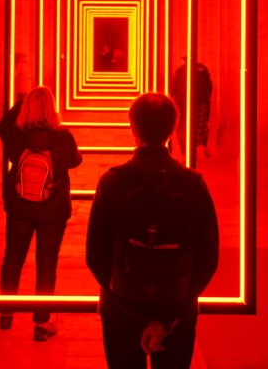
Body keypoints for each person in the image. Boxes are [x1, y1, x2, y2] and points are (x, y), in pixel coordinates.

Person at [86, 93, 219, 369]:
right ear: (173, 129)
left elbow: (95, 258)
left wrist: (133, 315)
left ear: (133, 128)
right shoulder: (193, 184)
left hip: (121, 310)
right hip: (176, 310)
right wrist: (166, 320)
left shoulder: (113, 182)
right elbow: (208, 259)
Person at [0, 86, 82, 341]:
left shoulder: (16, 135)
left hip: (20, 206)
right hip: (52, 210)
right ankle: (41, 323)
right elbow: (75, 161)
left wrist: (21, 102)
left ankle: (6, 312)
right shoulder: (63, 138)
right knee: (46, 264)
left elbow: (2, 125)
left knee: (13, 258)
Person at [172, 57, 214, 165]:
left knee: (182, 127)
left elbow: (172, 87)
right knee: (198, 127)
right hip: (199, 103)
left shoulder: (180, 71)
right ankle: (198, 148)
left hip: (181, 103)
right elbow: (209, 88)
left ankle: (185, 153)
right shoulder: (202, 71)